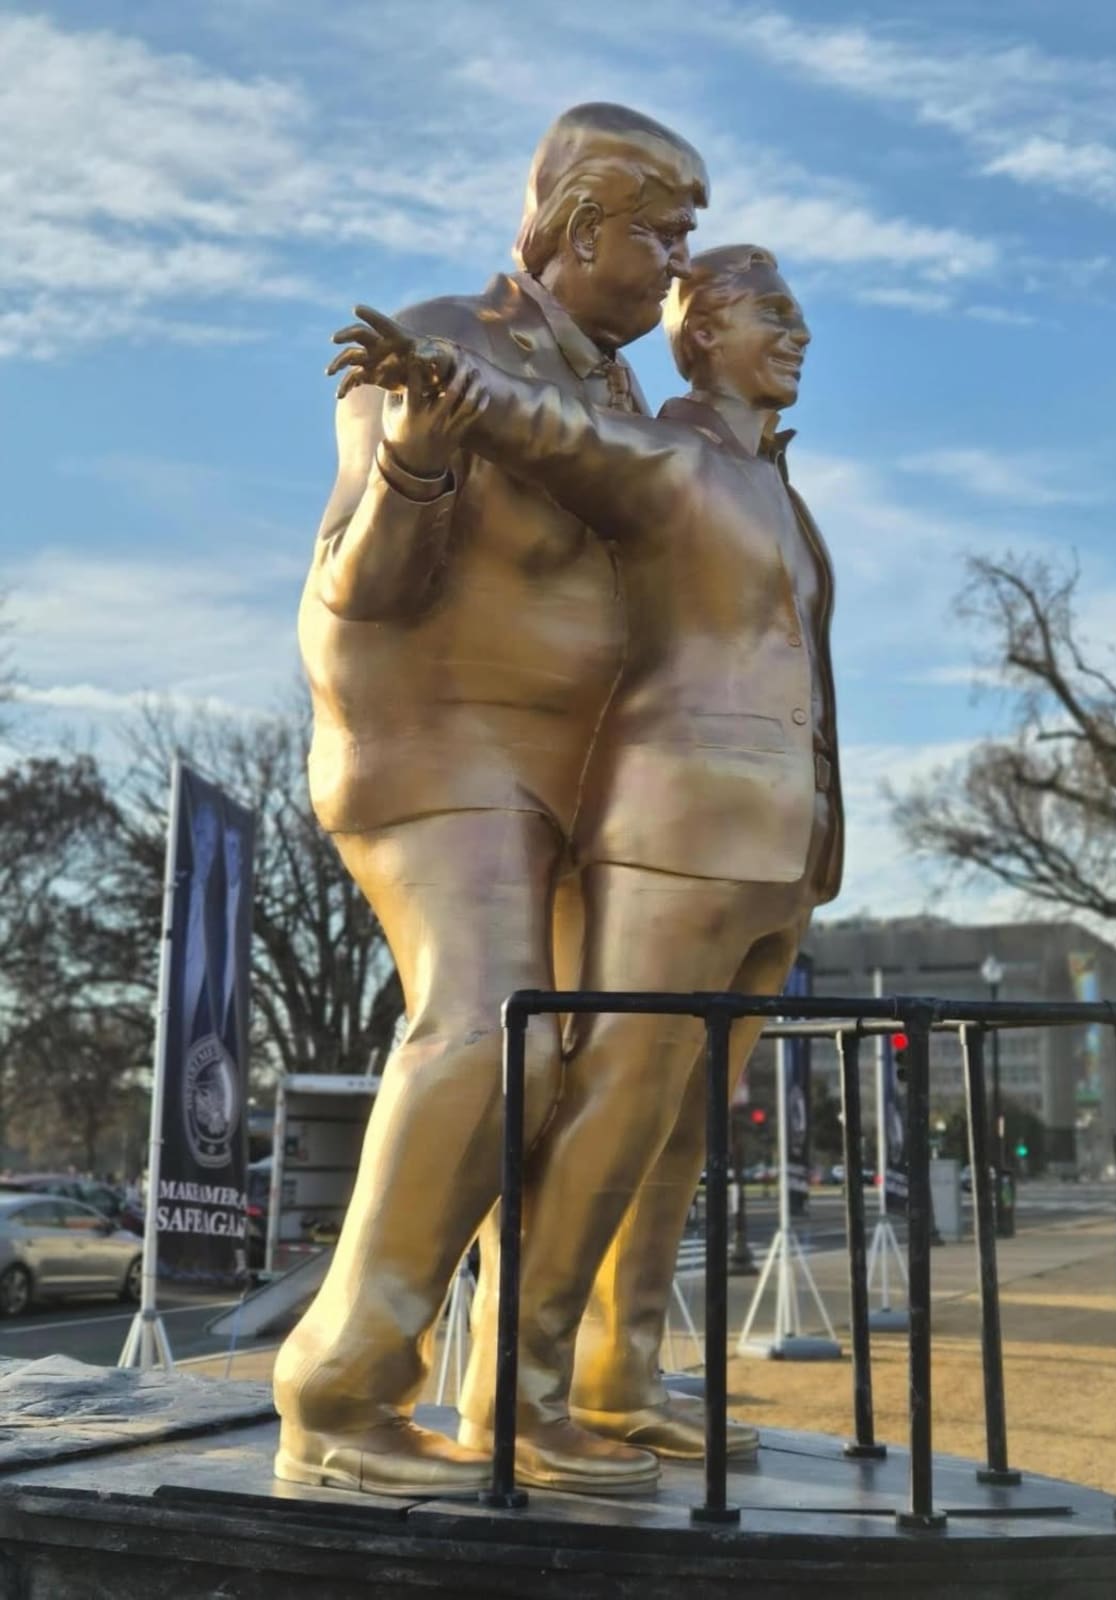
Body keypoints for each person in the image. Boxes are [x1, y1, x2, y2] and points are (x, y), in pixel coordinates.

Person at [336, 242, 843, 1481]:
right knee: (612, 1101)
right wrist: (442, 380)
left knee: (677, 1123)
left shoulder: (782, 486)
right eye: (773, 314)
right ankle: (521, 1391)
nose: (801, 335)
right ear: (703, 333)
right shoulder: (671, 457)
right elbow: (553, 431)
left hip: (781, 843)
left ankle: (618, 1374)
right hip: (674, 828)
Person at [273, 103, 708, 1499]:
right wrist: (415, 456)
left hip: (591, 787)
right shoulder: (437, 342)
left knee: (610, 1072)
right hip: (442, 755)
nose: (674, 267)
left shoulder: (629, 396)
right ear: (582, 229)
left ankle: (526, 1400)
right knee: (489, 1036)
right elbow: (357, 590)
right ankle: (336, 1397)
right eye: (662, 234)